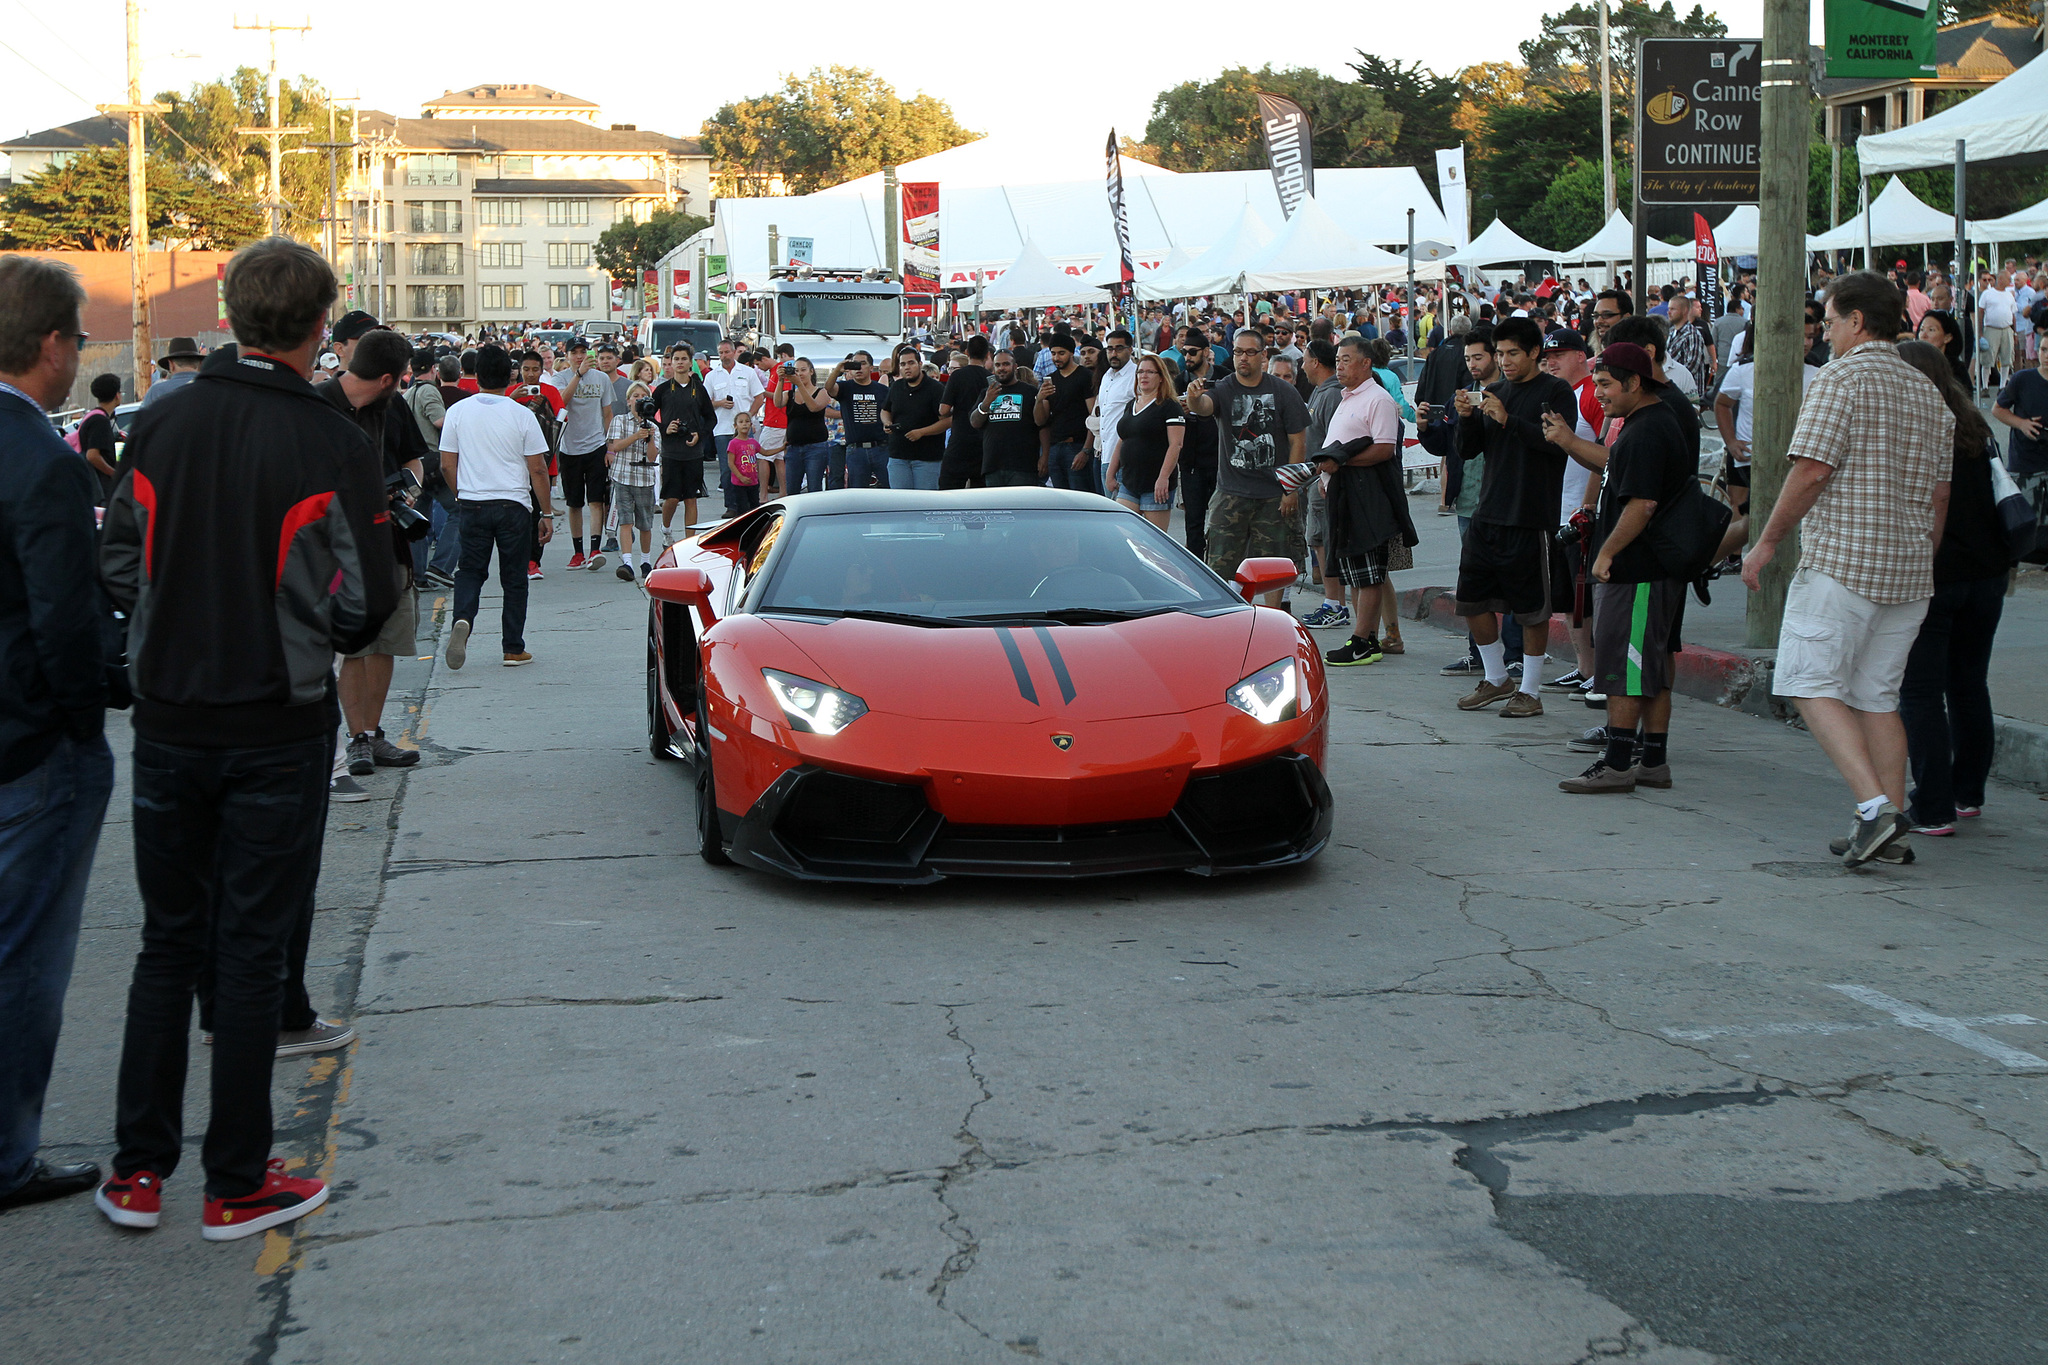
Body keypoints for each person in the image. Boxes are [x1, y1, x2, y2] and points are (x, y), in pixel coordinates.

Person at [97, 237, 395, 1240]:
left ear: (229, 313)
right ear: (324, 325)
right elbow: (365, 598)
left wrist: (165, 633)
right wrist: (306, 628)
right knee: (250, 951)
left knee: (166, 945)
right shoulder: (327, 438)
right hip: (275, 718)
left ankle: (138, 1172)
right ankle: (235, 1178)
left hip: (171, 718)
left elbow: (119, 564)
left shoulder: (161, 419)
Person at [1741, 271, 1954, 868]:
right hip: (1909, 570)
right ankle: (1890, 827)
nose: (1826, 331)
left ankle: (1875, 810)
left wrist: (1764, 545)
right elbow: (1940, 496)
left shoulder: (1840, 378)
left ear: (1857, 321)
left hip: (1843, 562)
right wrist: (1922, 557)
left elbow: (1811, 470)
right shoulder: (1927, 388)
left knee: (1808, 681)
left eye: (1830, 320)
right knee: (1877, 697)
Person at [0, 254, 113, 1215]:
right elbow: (63, 616)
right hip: (33, 743)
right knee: (27, 952)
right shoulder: (38, 455)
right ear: (51, 345)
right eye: (77, 339)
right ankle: (7, 1151)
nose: (78, 355)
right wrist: (88, 716)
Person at [1548, 342, 1694, 793]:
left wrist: (1606, 554)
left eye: (1606, 384)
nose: (1599, 392)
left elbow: (1642, 503)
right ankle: (1652, 761)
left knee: (1625, 668)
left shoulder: (1648, 429)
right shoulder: (1643, 425)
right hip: (1650, 569)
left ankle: (1616, 763)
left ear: (1634, 382)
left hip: (1637, 570)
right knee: (1650, 664)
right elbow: (1621, 472)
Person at [1895, 340, 2010, 841]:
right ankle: (1967, 794)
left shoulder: (1913, 429)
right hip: (1986, 574)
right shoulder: (1974, 427)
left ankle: (1934, 806)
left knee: (1919, 691)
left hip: (1935, 575)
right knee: (1968, 685)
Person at [1449, 316, 1579, 718]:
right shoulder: (1494, 390)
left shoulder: (1555, 392)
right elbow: (1469, 451)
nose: (1504, 361)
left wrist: (1509, 419)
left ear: (1534, 353)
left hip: (1530, 514)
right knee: (1470, 601)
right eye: (1499, 353)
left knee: (1530, 609)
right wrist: (1468, 419)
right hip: (1487, 512)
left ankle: (1530, 690)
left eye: (1512, 353)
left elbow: (1557, 446)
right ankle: (1495, 676)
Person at [443, 343, 556, 670]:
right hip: (513, 506)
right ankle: (512, 648)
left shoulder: (458, 412)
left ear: (476, 375)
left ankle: (462, 619)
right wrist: (545, 513)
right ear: (510, 375)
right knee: (514, 577)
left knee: (470, 571)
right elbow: (537, 469)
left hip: (473, 503)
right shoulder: (522, 414)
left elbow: (448, 465)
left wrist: (462, 493)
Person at [1185, 328, 1309, 603]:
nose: (1243, 358)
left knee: (1273, 567)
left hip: (1273, 495)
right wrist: (1193, 397)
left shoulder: (1283, 391)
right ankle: (1231, 621)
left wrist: (1291, 490)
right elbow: (1204, 407)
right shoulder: (1225, 387)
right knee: (1220, 564)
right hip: (1232, 492)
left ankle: (1274, 619)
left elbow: (1298, 441)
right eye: (1238, 352)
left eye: (1250, 352)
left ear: (1263, 356)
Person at [1315, 336, 1408, 666]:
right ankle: (1365, 636)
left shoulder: (1378, 399)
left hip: (1369, 495)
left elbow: (1383, 448)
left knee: (1369, 572)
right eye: (1338, 359)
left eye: (1346, 359)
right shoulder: (1346, 398)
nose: (1339, 365)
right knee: (1353, 570)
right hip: (1344, 493)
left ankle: (1362, 642)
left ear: (1366, 363)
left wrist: (1338, 463)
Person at [547, 339, 612, 571]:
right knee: (574, 503)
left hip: (596, 445)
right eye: (574, 352)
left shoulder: (602, 378)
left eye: (583, 352)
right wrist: (578, 375)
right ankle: (578, 552)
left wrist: (609, 446)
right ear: (566, 355)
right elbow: (560, 405)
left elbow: (607, 413)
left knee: (596, 500)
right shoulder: (559, 378)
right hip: (569, 448)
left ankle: (595, 548)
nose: (579, 356)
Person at [1106, 353, 1184, 530]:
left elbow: (1176, 444)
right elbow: (1123, 439)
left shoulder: (1170, 406)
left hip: (1155, 482)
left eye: (1150, 372)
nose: (1144, 376)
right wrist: (1111, 473)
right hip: (1129, 481)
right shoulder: (1131, 404)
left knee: (1154, 541)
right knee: (1124, 532)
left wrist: (1163, 478)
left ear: (1161, 377)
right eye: (1140, 372)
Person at [653, 344, 712, 538]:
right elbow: (648, 416)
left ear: (690, 362)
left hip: (693, 452)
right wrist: (664, 428)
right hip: (671, 451)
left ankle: (690, 542)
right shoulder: (663, 390)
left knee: (691, 498)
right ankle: (666, 528)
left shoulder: (699, 389)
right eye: (676, 359)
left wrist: (699, 434)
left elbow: (711, 418)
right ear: (670, 362)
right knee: (671, 498)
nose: (679, 363)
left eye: (683, 359)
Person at [607, 379, 661, 580]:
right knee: (626, 521)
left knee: (645, 524)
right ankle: (627, 562)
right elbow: (616, 446)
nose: (639, 400)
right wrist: (637, 436)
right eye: (635, 396)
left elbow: (653, 456)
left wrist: (650, 438)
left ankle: (645, 561)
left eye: (643, 396)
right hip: (623, 476)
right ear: (628, 401)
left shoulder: (653, 426)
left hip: (645, 479)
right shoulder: (619, 420)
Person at [970, 347, 1045, 487]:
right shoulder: (987, 393)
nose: (1001, 368)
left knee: (1021, 507)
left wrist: (1045, 457)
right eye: (998, 365)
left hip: (1023, 466)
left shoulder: (1030, 392)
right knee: (997, 508)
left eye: (1006, 364)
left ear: (1015, 367)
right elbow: (975, 422)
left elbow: (1043, 425)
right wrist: (986, 402)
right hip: (993, 465)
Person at [705, 337, 764, 513]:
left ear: (733, 352)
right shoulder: (711, 376)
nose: (724, 356)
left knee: (748, 466)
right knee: (727, 468)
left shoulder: (747, 372)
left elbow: (759, 397)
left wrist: (749, 417)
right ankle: (731, 505)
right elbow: (705, 402)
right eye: (721, 353)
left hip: (745, 430)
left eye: (727, 352)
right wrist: (720, 403)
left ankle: (750, 503)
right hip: (723, 429)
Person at [1036, 333, 1096, 493]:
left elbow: (1094, 417)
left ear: (1071, 353)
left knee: (1081, 499)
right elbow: (1041, 420)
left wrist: (1085, 450)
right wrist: (1039, 399)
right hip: (1056, 447)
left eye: (1061, 353)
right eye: (1053, 353)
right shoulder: (1050, 379)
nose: (1056, 358)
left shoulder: (1084, 376)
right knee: (1062, 500)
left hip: (1077, 445)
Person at [880, 346, 947, 489]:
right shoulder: (897, 386)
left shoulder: (935, 389)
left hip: (927, 458)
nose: (907, 368)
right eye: (903, 364)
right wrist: (887, 422)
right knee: (900, 503)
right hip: (898, 456)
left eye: (911, 363)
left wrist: (922, 432)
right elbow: (885, 410)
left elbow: (948, 420)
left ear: (920, 364)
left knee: (924, 503)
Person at [1177, 339, 1220, 559]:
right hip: (1191, 463)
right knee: (1193, 524)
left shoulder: (1223, 376)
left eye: (1192, 352)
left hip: (1221, 461)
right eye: (1184, 352)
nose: (1187, 357)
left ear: (1205, 352)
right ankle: (1198, 575)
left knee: (1220, 524)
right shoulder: (1178, 381)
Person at [830, 351, 891, 489]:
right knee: (857, 493)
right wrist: (837, 370)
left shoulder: (882, 390)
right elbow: (829, 388)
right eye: (854, 364)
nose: (858, 368)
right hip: (856, 450)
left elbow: (890, 412)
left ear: (871, 368)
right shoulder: (845, 388)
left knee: (890, 490)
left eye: (863, 364)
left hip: (881, 448)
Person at [938, 335, 991, 490]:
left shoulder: (957, 376)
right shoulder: (991, 379)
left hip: (960, 441)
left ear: (967, 353)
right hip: (983, 443)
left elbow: (943, 410)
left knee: (949, 492)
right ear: (987, 354)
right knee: (981, 495)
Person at [1090, 331, 1139, 497]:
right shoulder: (1106, 377)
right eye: (1110, 349)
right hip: (1106, 455)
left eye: (1119, 348)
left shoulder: (1137, 376)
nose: (1113, 353)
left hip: (1126, 458)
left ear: (1130, 349)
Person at [1991, 334, 2048, 477]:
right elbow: (1998, 409)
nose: (2046, 356)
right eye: (2043, 350)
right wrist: (2022, 424)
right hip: (2025, 460)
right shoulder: (2022, 379)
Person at [77, 372, 123, 504]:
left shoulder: (93, 416)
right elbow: (92, 455)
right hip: (100, 489)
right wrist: (113, 473)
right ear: (116, 395)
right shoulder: (100, 421)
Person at [1977, 269, 2016, 394]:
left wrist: (2013, 332)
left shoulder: (2009, 295)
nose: (2010, 281)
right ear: (2001, 279)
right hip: (1991, 329)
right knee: (1987, 358)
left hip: (2006, 329)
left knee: (2006, 358)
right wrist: (1980, 332)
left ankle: (2002, 386)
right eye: (2008, 278)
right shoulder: (1988, 294)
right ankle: (1985, 387)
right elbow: (1980, 312)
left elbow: (2013, 314)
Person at [142, 336, 205, 406]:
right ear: (200, 364)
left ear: (171, 365)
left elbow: (142, 416)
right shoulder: (214, 389)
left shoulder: (156, 393)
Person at [726, 412, 764, 512]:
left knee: (755, 508)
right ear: (735, 426)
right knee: (742, 509)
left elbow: (765, 452)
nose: (744, 424)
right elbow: (731, 463)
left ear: (751, 425)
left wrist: (781, 447)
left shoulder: (753, 442)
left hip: (753, 482)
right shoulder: (733, 443)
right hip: (739, 484)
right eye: (741, 422)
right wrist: (741, 477)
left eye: (747, 422)